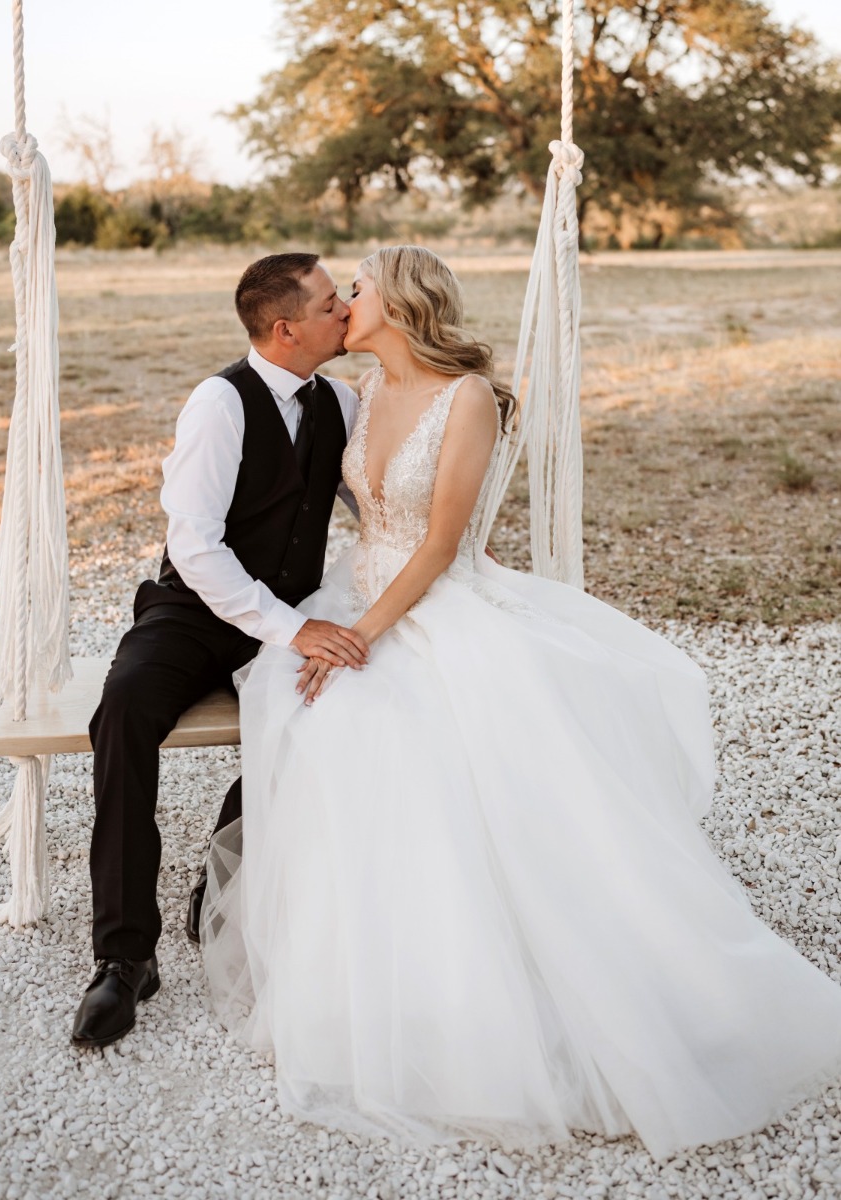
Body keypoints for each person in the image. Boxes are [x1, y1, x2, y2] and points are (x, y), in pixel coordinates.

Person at [200, 245, 841, 1159]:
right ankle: (367, 983)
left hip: (426, 605)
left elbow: (435, 548)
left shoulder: (467, 400)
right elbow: (362, 513)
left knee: (410, 732)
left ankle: (511, 993)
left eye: (359, 288)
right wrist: (325, 624)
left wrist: (363, 638)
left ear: (401, 302)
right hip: (358, 594)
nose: (345, 302)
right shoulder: (362, 396)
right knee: (308, 713)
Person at [71, 252, 370, 1049]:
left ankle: (224, 878)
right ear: (286, 328)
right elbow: (195, 547)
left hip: (286, 615)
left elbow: (383, 488)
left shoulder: (340, 400)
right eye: (330, 302)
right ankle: (124, 956)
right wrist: (289, 626)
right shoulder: (220, 403)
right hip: (193, 612)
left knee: (328, 706)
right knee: (124, 710)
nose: (344, 310)